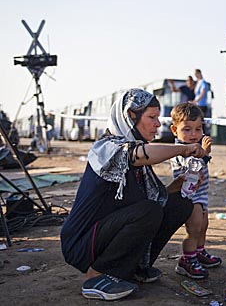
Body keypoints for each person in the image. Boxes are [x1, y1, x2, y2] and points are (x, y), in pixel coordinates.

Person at [60, 88, 205, 301]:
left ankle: (135, 267)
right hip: (82, 242)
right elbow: (138, 156)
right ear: (130, 116)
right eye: (152, 118)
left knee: (181, 204)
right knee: (149, 211)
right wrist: (183, 149)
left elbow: (153, 197)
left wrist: (179, 184)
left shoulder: (136, 153)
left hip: (110, 232)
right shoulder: (108, 147)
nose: (157, 124)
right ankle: (96, 276)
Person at [169, 103, 222, 280]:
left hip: (201, 195)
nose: (193, 134)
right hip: (189, 197)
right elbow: (192, 170)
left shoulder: (196, 146)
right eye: (187, 129)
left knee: (203, 226)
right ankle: (186, 260)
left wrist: (203, 152)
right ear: (174, 130)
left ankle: (199, 252)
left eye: (198, 129)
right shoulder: (179, 151)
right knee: (193, 229)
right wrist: (205, 154)